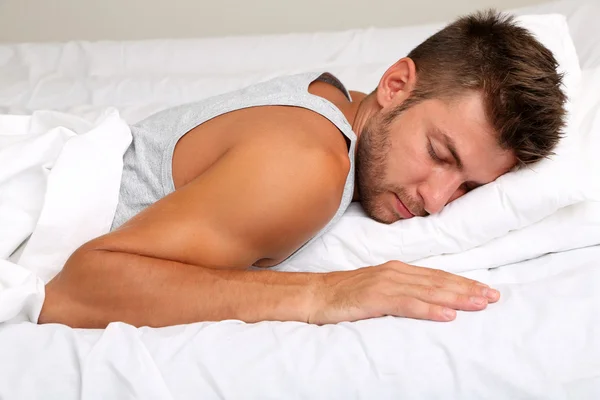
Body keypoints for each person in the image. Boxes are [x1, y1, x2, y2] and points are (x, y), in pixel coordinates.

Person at [38, 10, 566, 328]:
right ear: (396, 84)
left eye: (468, 185)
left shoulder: (330, 97)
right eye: (439, 154)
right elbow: (75, 289)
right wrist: (323, 293)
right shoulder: (310, 166)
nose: (436, 199)